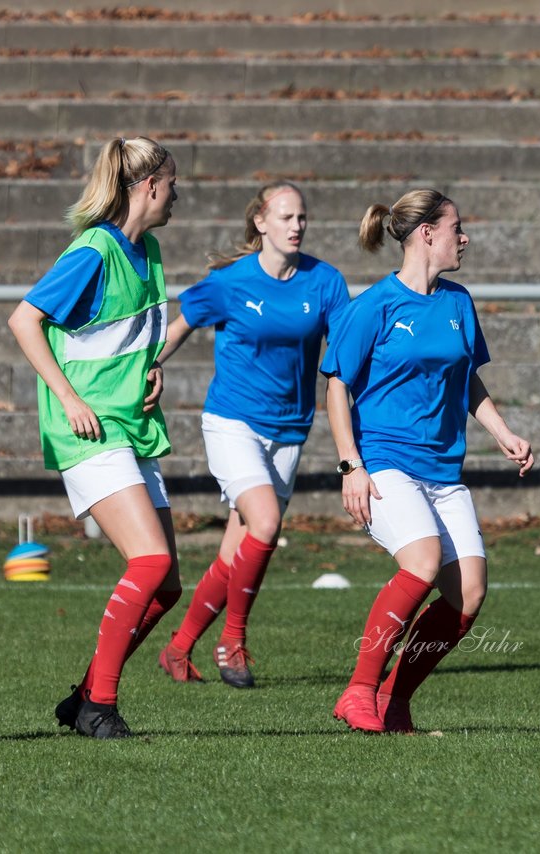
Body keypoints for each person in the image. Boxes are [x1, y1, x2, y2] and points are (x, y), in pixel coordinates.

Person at [323, 189, 534, 734]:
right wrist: (351, 465)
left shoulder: (458, 301)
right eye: (456, 228)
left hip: (443, 471)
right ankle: (358, 691)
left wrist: (503, 431)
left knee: (469, 595)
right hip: (386, 461)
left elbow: (467, 381)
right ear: (426, 234)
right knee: (420, 562)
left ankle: (395, 699)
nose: (464, 238)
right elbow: (337, 384)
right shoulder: (374, 305)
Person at [8, 136, 181, 739]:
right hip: (90, 430)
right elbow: (24, 320)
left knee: (167, 586)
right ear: (147, 186)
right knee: (150, 560)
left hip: (130, 426)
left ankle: (83, 695)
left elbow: (127, 338)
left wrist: (151, 370)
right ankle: (99, 705)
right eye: (172, 184)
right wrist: (69, 397)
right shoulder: (92, 251)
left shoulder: (150, 250)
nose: (176, 196)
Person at [153, 182, 349, 688]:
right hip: (233, 421)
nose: (296, 226)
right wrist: (146, 371)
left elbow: (347, 357)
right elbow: (179, 328)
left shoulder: (325, 282)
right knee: (264, 523)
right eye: (285, 217)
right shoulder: (230, 282)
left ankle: (177, 650)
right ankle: (233, 642)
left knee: (233, 553)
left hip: (290, 431)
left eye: (301, 217)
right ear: (260, 223)